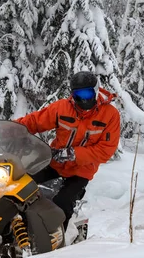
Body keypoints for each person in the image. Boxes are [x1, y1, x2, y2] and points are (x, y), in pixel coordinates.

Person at [14, 71, 121, 230]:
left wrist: (73, 154)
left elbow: (105, 150)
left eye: (87, 93)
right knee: (21, 184)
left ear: (96, 91)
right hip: (55, 162)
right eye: (78, 94)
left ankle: (57, 239)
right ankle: (16, 228)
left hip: (81, 171)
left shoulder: (110, 115)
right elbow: (35, 121)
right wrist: (13, 129)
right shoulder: (63, 108)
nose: (83, 98)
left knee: (62, 202)